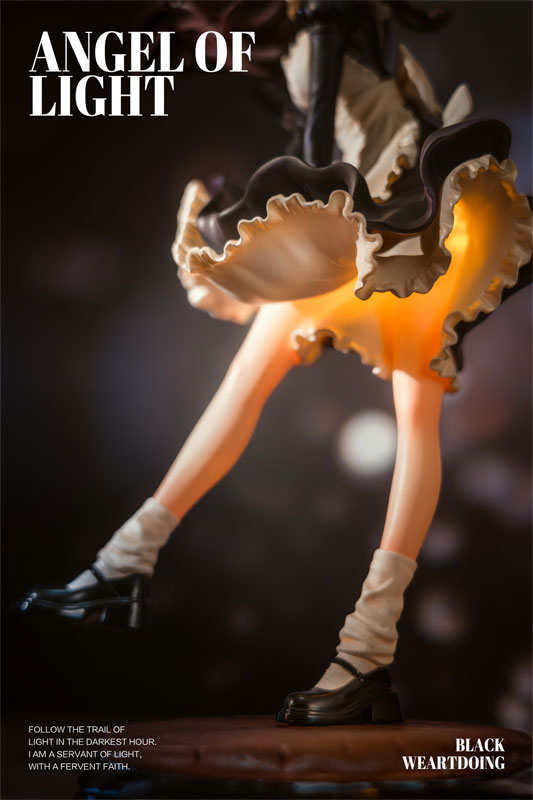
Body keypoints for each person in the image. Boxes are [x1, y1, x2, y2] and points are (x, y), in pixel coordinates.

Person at [19, 0, 532, 726]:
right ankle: (131, 564)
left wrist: (277, 220)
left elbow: (318, 140)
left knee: (394, 416)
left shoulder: (325, 14)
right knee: (272, 390)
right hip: (372, 221)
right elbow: (314, 133)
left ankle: (355, 653)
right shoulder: (308, 25)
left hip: (387, 227)